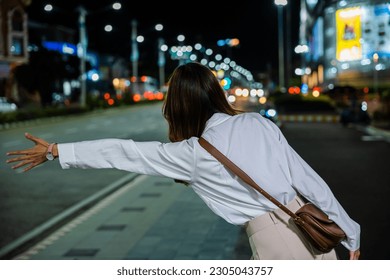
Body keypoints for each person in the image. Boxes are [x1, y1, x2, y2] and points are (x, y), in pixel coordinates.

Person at [6, 62, 360, 260]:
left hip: (275, 243)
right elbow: (308, 179)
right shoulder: (256, 123)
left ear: (177, 106)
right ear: (215, 93)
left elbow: (124, 151)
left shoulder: (193, 154)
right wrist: (350, 233)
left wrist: (56, 150)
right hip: (313, 227)